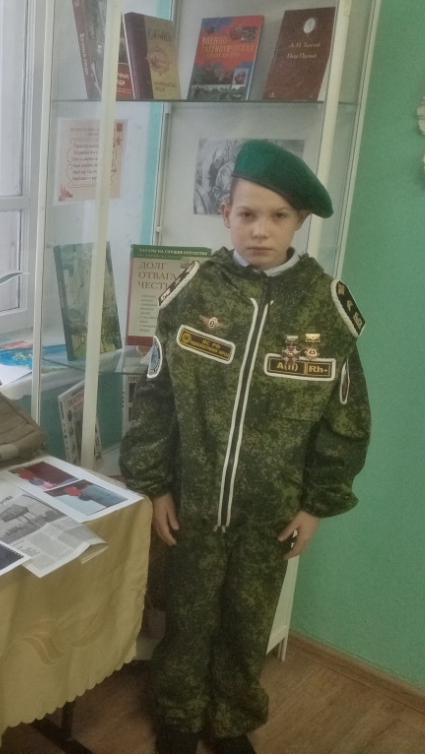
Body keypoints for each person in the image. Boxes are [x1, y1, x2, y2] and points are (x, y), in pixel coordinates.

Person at [120, 140, 371, 754]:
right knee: (187, 614)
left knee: (248, 619)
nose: (261, 230)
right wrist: (155, 486)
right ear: (225, 213)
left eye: (278, 216)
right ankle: (178, 713)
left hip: (271, 510)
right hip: (194, 502)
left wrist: (317, 504)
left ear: (299, 221)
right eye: (247, 214)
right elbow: (155, 397)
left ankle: (231, 718)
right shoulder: (192, 293)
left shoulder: (327, 309)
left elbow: (345, 419)